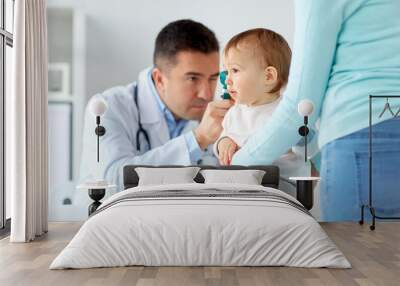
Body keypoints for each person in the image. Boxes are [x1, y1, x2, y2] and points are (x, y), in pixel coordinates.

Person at [232, 0, 400, 221]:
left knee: (360, 252)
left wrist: (233, 168)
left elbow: (302, 109)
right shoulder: (234, 115)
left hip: (365, 136)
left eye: (234, 70)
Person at [80, 19, 234, 192]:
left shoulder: (209, 115)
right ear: (160, 79)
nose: (206, 94)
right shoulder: (107, 107)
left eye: (213, 78)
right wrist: (197, 140)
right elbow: (112, 182)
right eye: (193, 79)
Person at [215, 28, 294, 166]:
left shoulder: (285, 113)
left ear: (268, 76)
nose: (227, 80)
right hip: (243, 183)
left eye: (234, 70)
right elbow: (224, 136)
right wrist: (224, 142)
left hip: (280, 183)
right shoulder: (235, 113)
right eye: (226, 71)